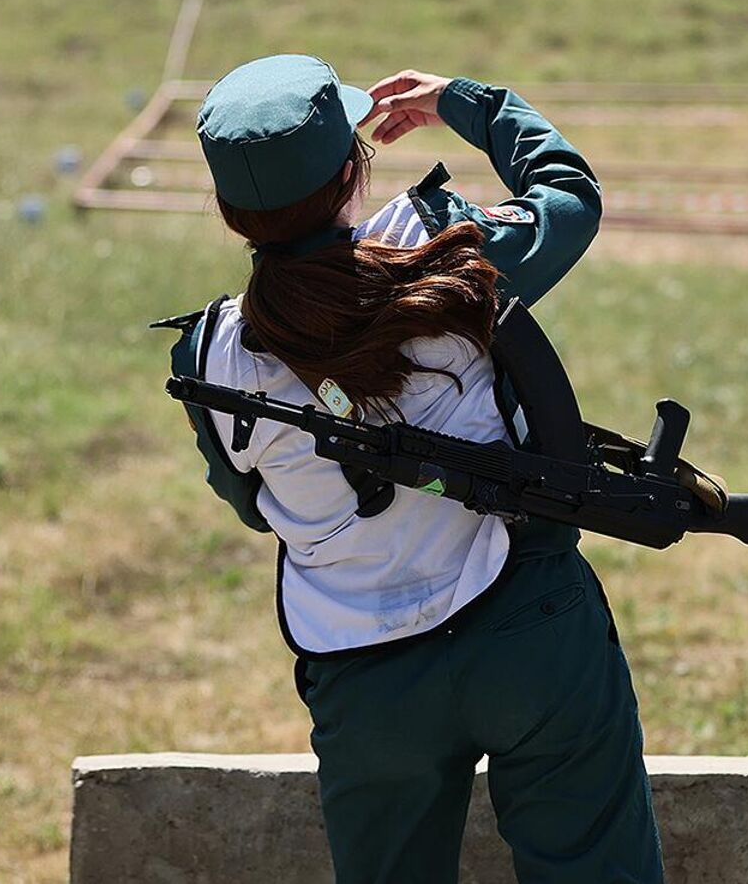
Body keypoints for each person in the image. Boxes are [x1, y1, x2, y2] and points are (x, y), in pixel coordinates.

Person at [163, 54, 662, 884]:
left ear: (229, 211)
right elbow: (571, 198)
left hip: (364, 676)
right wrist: (467, 104)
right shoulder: (435, 245)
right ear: (352, 167)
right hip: (526, 630)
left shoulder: (209, 354)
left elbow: (253, 506)